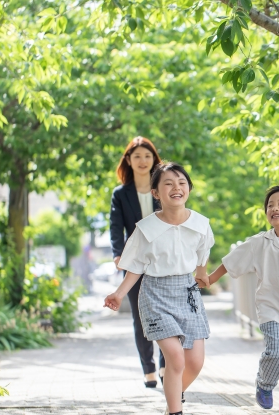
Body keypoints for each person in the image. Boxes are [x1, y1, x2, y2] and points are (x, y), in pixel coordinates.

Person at [205, 182, 279, 415]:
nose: (274, 208)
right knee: (278, 352)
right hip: (271, 308)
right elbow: (231, 261)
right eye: (270, 205)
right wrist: (210, 279)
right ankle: (265, 384)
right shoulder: (258, 242)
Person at [104, 162, 213, 415]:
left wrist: (201, 273)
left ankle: (172, 399)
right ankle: (176, 411)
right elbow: (136, 267)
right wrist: (119, 294)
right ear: (156, 193)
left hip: (188, 294)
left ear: (189, 188)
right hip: (155, 295)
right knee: (175, 357)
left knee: (195, 362)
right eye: (168, 183)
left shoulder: (201, 224)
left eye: (182, 183)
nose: (177, 188)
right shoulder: (146, 229)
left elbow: (202, 252)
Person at [109, 136, 165, 388]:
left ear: (154, 159)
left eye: (147, 156)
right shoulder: (121, 194)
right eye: (137, 156)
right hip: (134, 262)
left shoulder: (164, 188)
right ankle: (149, 369)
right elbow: (115, 227)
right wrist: (118, 254)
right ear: (128, 161)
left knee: (166, 314)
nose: (142, 161)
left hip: (164, 261)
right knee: (140, 318)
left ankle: (166, 365)